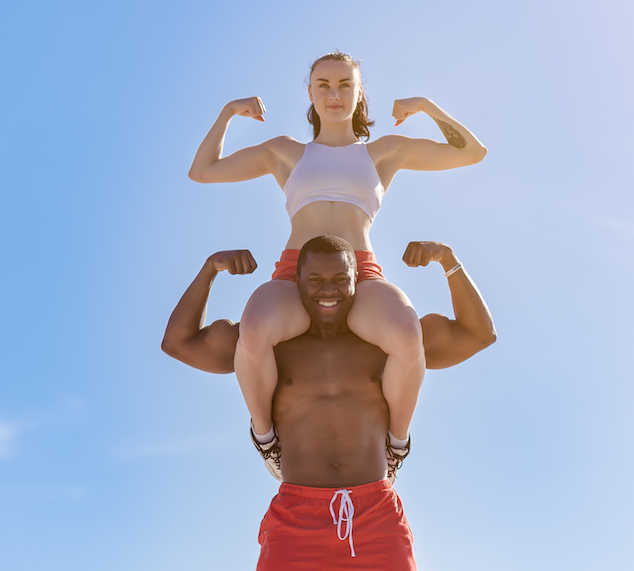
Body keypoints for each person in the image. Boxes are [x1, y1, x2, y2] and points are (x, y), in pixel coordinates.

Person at [187, 51, 488, 452]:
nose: (335, 94)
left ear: (359, 93)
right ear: (310, 93)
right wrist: (227, 112)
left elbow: (471, 152)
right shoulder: (285, 152)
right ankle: (266, 441)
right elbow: (203, 170)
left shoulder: (383, 152)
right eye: (324, 85)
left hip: (360, 273)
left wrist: (424, 106)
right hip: (296, 271)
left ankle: (396, 445)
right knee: (254, 328)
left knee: (405, 333)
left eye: (346, 84)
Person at [162, 236, 496, 570]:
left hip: (376, 513)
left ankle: (396, 448)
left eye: (340, 280)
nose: (328, 291)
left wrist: (447, 259)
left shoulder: (384, 344)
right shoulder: (269, 347)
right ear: (296, 282)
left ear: (357, 282)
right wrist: (210, 269)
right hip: (295, 516)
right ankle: (267, 444)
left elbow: (479, 334)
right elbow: (179, 343)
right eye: (316, 280)